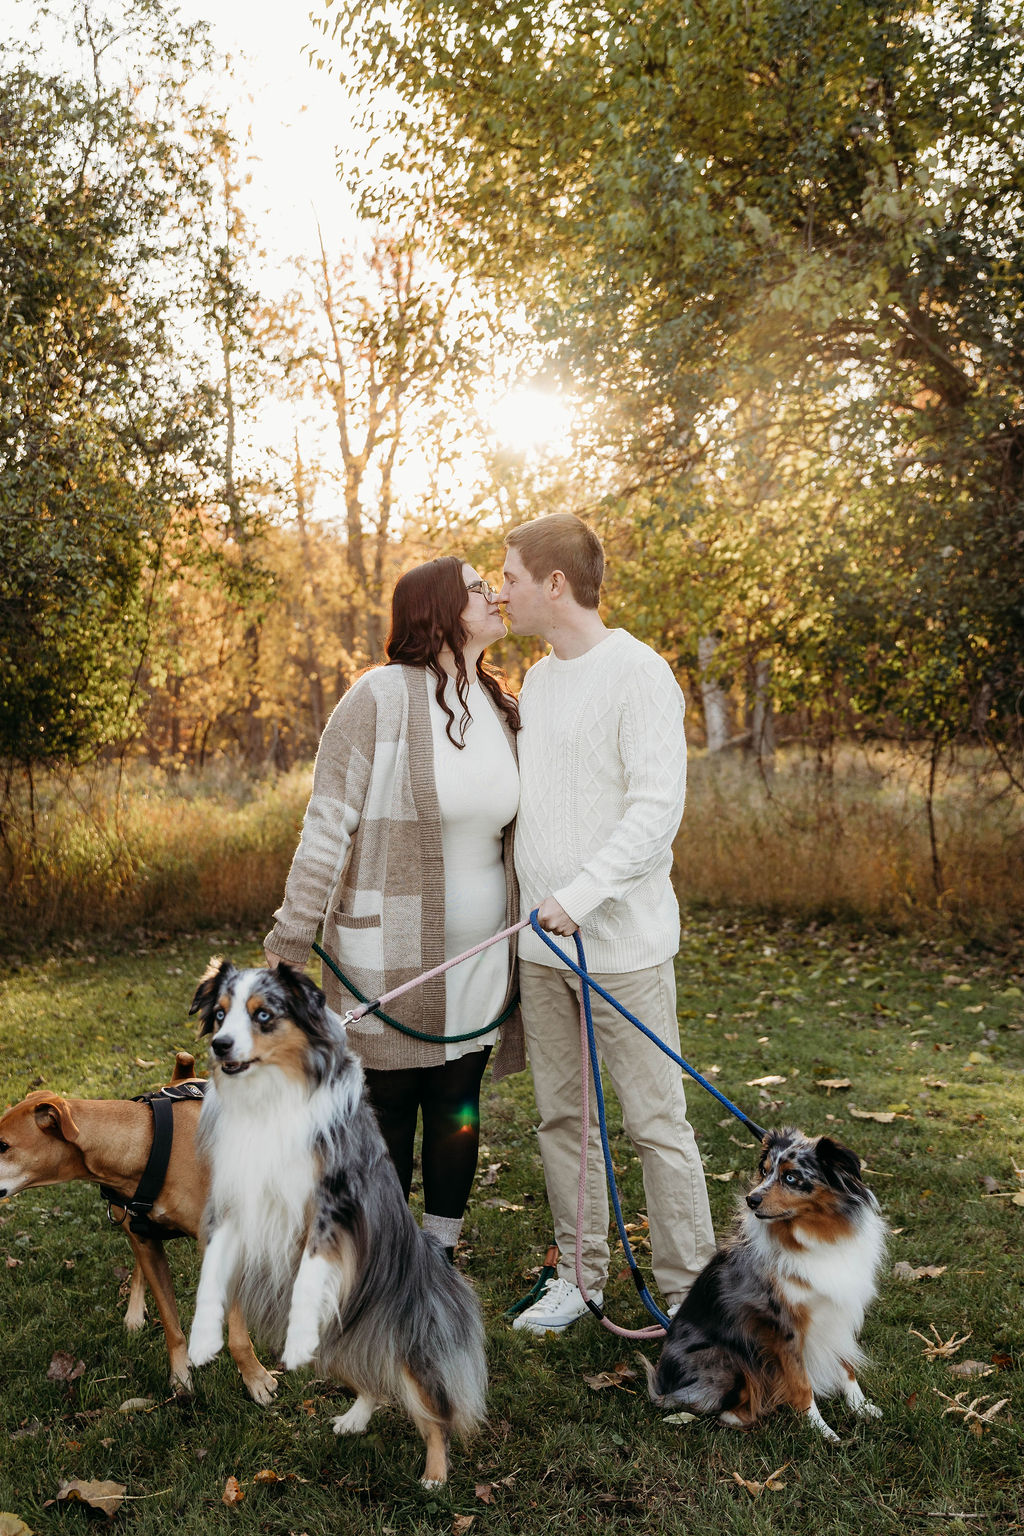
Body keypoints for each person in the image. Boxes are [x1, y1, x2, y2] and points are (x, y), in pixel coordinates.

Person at [264, 556, 523, 1262]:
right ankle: (375, 1252)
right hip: (387, 956)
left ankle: (437, 1251)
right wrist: (292, 933)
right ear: (438, 611)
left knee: (457, 1100)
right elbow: (328, 822)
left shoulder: (502, 706)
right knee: (388, 1108)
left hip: (479, 960)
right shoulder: (377, 697)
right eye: (477, 588)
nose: (495, 595)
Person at [497, 512, 715, 1332]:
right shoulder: (540, 682)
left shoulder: (640, 673)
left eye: (511, 576)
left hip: (621, 947)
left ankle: (693, 1294)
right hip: (542, 953)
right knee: (563, 1117)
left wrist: (579, 897)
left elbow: (657, 811)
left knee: (657, 1122)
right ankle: (580, 1279)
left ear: (555, 583)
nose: (501, 590)